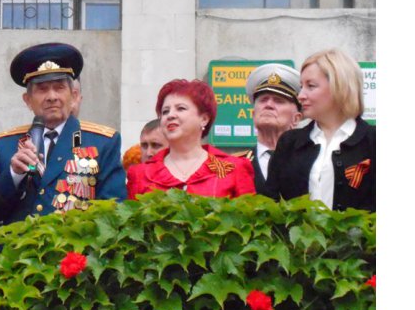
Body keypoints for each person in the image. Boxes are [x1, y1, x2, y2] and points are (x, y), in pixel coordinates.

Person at [0, 42, 127, 226]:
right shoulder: (5, 144)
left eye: (59, 87)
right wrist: (13, 175)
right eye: (42, 89)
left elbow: (113, 213)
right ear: (28, 100)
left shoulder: (102, 142)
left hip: (74, 252)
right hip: (18, 252)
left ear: (74, 95)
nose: (52, 96)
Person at [263, 50, 375, 211]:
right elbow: (271, 204)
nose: (300, 95)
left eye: (311, 86)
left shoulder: (373, 141)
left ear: (340, 86)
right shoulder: (289, 142)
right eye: (301, 87)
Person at [127, 79, 256, 199]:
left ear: (204, 119)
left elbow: (247, 219)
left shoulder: (234, 168)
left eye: (180, 108)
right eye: (165, 111)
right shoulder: (140, 174)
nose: (170, 115)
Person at [243, 63, 302, 194]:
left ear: (296, 119)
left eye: (278, 101)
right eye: (263, 100)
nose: (269, 105)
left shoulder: (309, 162)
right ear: (253, 115)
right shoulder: (236, 164)